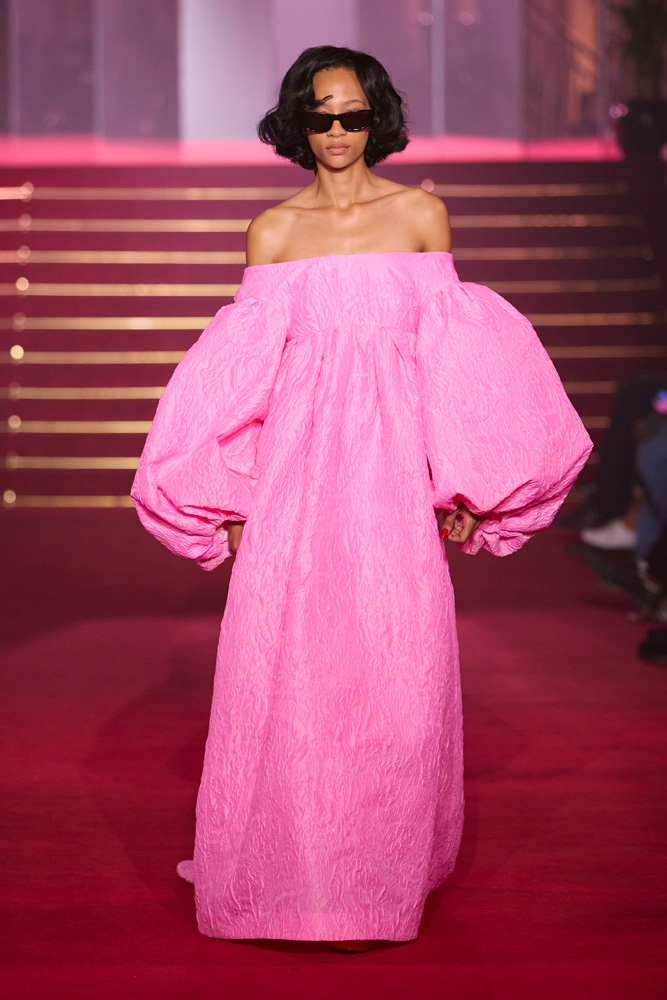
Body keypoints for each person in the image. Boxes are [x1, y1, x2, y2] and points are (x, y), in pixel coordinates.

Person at [131, 46, 593, 952]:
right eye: (319, 116)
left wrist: (463, 479)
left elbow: (452, 362)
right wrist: (226, 495)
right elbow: (241, 379)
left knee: (394, 672)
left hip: (390, 483)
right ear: (295, 124)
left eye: (351, 115)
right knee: (292, 674)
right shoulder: (272, 232)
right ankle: (290, 876)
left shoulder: (419, 216)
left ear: (376, 117)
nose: (336, 132)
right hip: (296, 486)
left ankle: (376, 881)